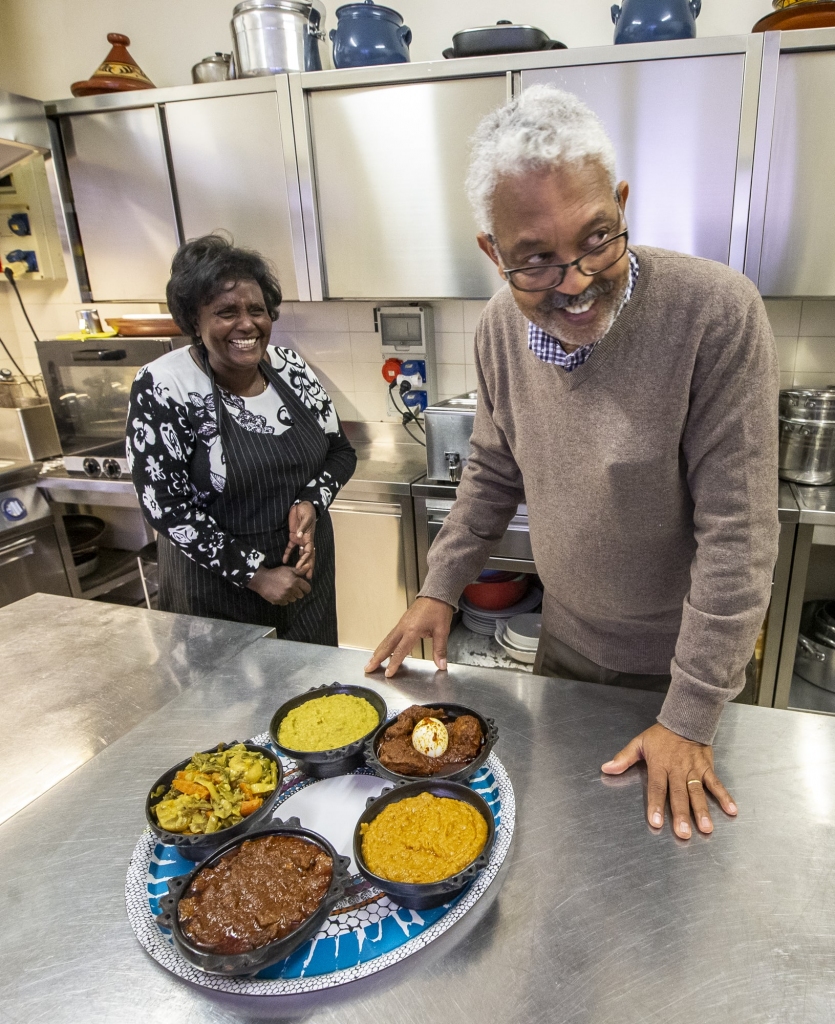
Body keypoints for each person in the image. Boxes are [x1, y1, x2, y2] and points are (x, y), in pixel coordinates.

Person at [366, 87, 780, 840]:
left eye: (598, 238)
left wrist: (687, 716)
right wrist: (438, 588)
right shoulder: (499, 330)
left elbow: (739, 535)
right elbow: (493, 469)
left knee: (667, 871)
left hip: (682, 665)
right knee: (565, 843)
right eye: (535, 260)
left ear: (620, 202)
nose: (577, 281)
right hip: (564, 645)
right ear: (492, 252)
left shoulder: (715, 312)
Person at [127, 235, 356, 643]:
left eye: (257, 310)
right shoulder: (165, 385)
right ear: (194, 322)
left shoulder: (290, 368)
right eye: (226, 312)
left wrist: (311, 500)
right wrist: (256, 576)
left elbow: (339, 452)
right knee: (226, 704)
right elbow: (165, 507)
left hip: (304, 584)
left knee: (312, 693)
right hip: (214, 596)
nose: (247, 324)